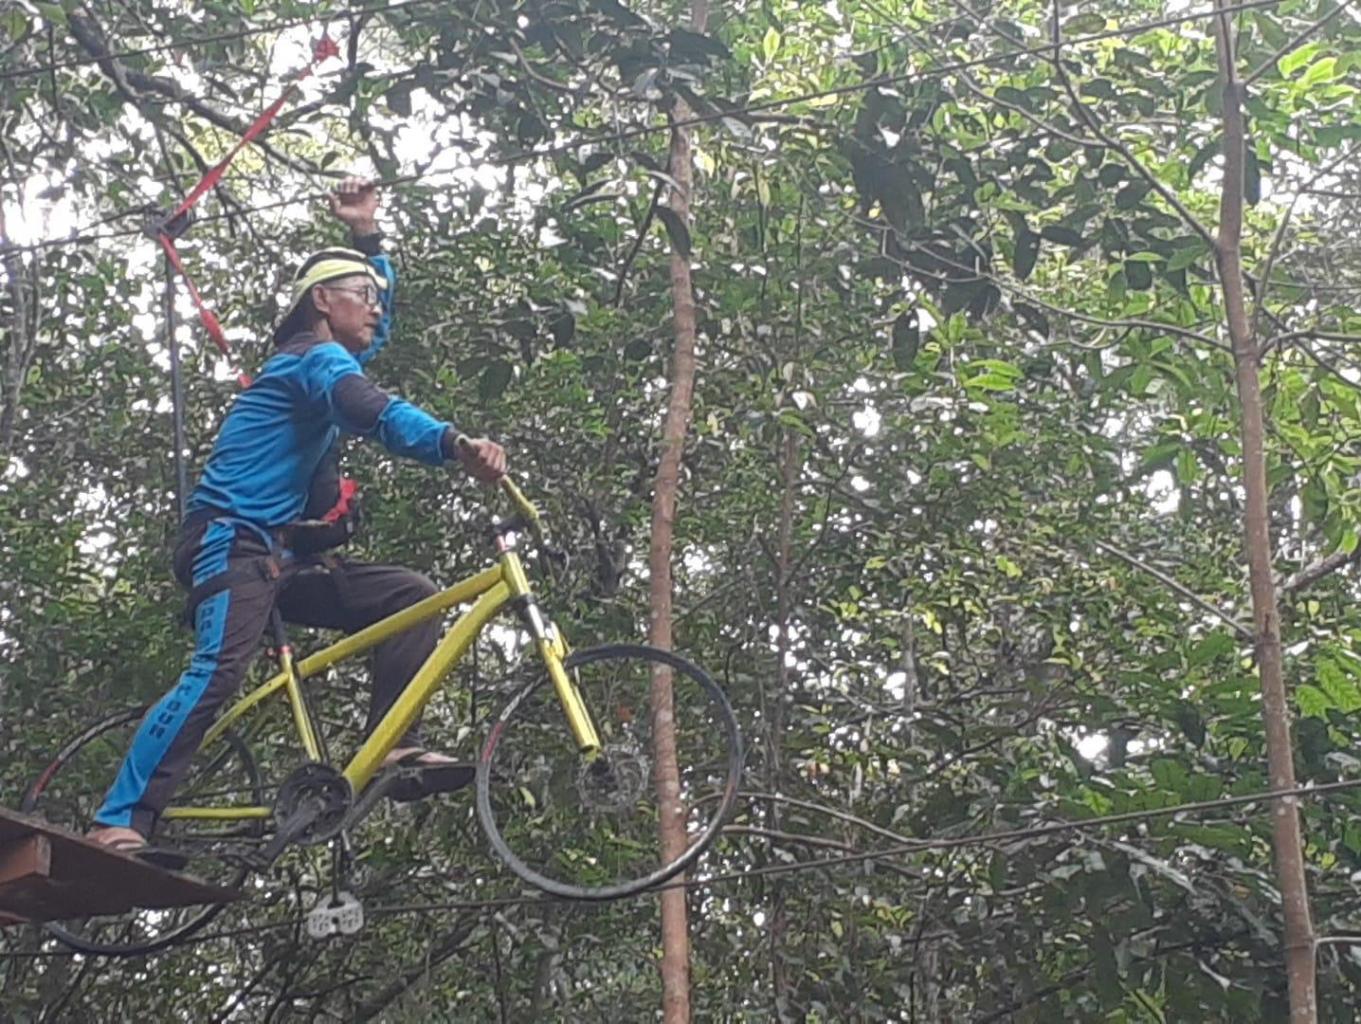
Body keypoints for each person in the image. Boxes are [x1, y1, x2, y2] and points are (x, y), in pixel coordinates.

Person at [87, 178, 505, 864]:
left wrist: (367, 236)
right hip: (228, 541)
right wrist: (451, 443)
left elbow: (375, 333)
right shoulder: (311, 360)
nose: (376, 308)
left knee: (412, 597)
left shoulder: (328, 356)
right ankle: (118, 820)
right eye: (363, 295)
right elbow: (369, 407)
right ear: (322, 302)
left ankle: (392, 743)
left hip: (278, 557)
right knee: (218, 670)